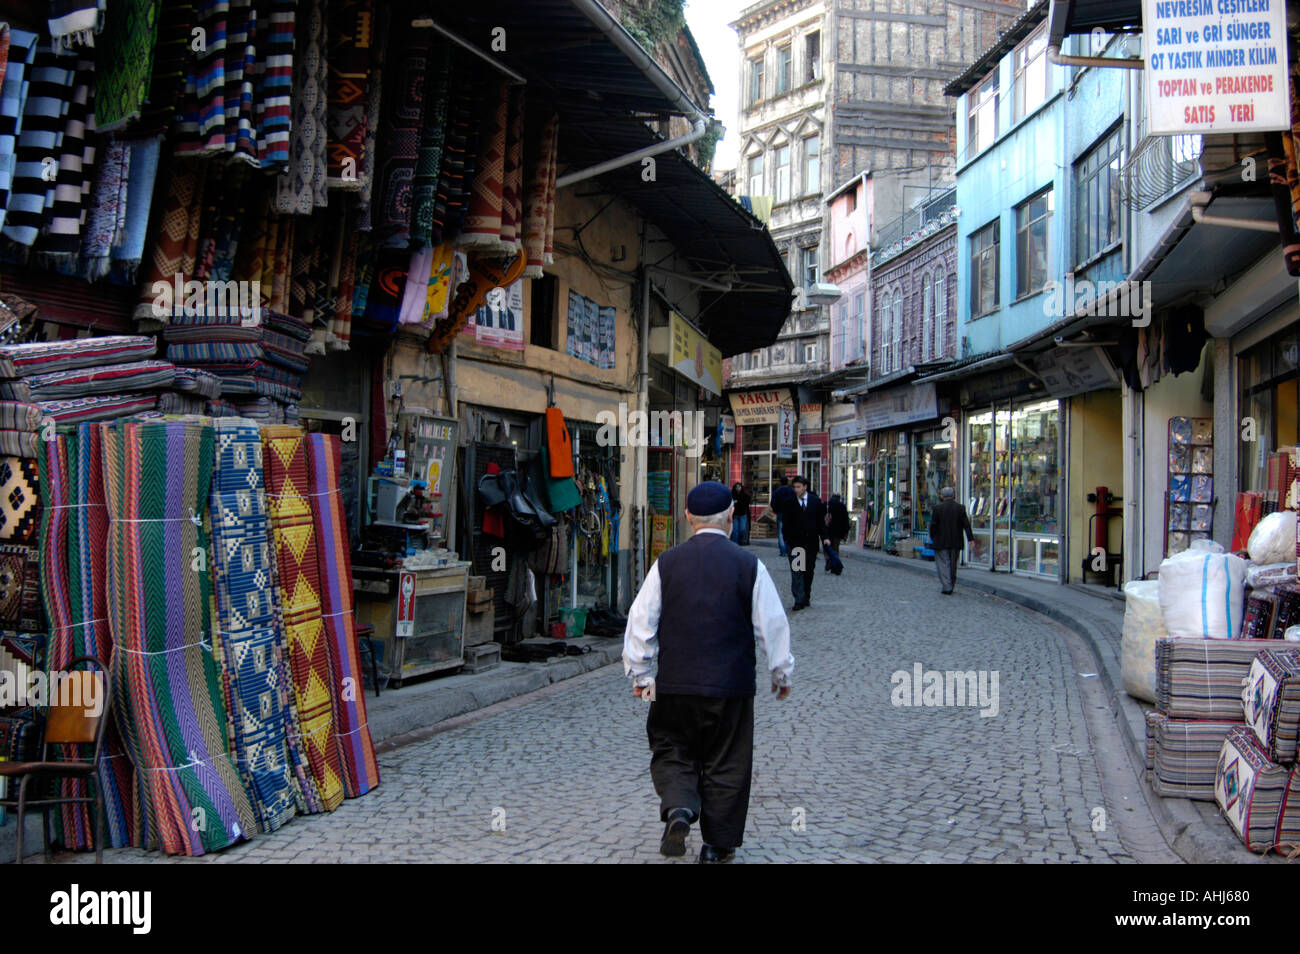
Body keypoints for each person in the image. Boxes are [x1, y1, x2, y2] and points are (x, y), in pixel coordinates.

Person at [623, 480, 794, 864]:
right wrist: (780, 674)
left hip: (675, 684)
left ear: (687, 518)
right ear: (731, 517)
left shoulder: (666, 563)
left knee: (671, 747)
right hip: (730, 685)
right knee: (728, 760)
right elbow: (772, 624)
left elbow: (641, 620)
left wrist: (641, 675)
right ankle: (717, 846)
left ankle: (680, 808)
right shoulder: (749, 565)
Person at [775, 475, 827, 611]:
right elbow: (785, 524)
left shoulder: (815, 502)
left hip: (811, 543)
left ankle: (806, 596)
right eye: (795, 487)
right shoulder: (789, 502)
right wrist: (788, 540)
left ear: (805, 487)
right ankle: (798, 599)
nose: (796, 489)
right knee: (797, 571)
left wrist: (825, 537)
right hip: (795, 543)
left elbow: (820, 523)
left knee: (808, 571)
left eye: (798, 487)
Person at [929, 486, 974, 595]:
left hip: (941, 541)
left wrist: (932, 536)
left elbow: (933, 525)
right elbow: (966, 524)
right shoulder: (960, 508)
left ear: (942, 496)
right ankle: (951, 584)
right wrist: (970, 539)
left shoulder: (937, 508)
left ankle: (947, 586)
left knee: (943, 564)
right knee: (953, 565)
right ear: (953, 496)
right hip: (955, 541)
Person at [771, 475, 793, 557]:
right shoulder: (791, 490)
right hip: (790, 514)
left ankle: (783, 551)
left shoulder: (777, 491)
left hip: (780, 513)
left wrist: (776, 510)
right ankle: (789, 549)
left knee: (780, 532)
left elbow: (772, 503)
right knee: (790, 532)